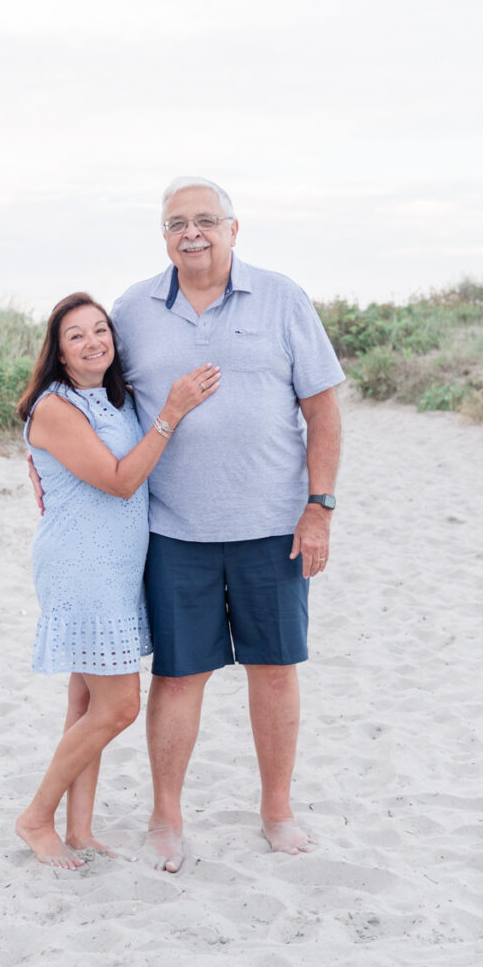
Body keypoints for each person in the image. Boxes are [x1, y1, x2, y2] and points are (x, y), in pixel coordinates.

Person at [110, 177, 345, 872]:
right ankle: (165, 819)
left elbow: (323, 410)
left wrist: (318, 507)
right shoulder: (131, 308)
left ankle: (276, 811)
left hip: (272, 525)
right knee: (178, 678)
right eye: (177, 222)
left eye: (206, 220)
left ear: (233, 229)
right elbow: (88, 392)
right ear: (163, 235)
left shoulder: (281, 298)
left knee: (273, 673)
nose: (192, 233)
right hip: (171, 530)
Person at [15, 291, 219, 869]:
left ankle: (78, 827)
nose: (92, 342)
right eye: (75, 335)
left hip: (119, 566)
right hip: (83, 569)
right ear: (57, 350)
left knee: (86, 700)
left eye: (100, 329)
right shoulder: (57, 408)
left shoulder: (111, 399)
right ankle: (35, 817)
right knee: (119, 705)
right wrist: (172, 410)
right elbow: (121, 481)